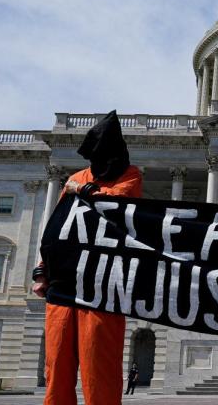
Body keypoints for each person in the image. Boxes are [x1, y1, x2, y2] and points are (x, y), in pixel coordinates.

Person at [33, 110, 143, 405]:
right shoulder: (75, 177)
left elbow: (115, 205)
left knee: (100, 366)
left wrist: (81, 191)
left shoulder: (130, 175)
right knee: (56, 365)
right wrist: (41, 272)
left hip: (102, 284)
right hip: (63, 282)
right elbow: (56, 229)